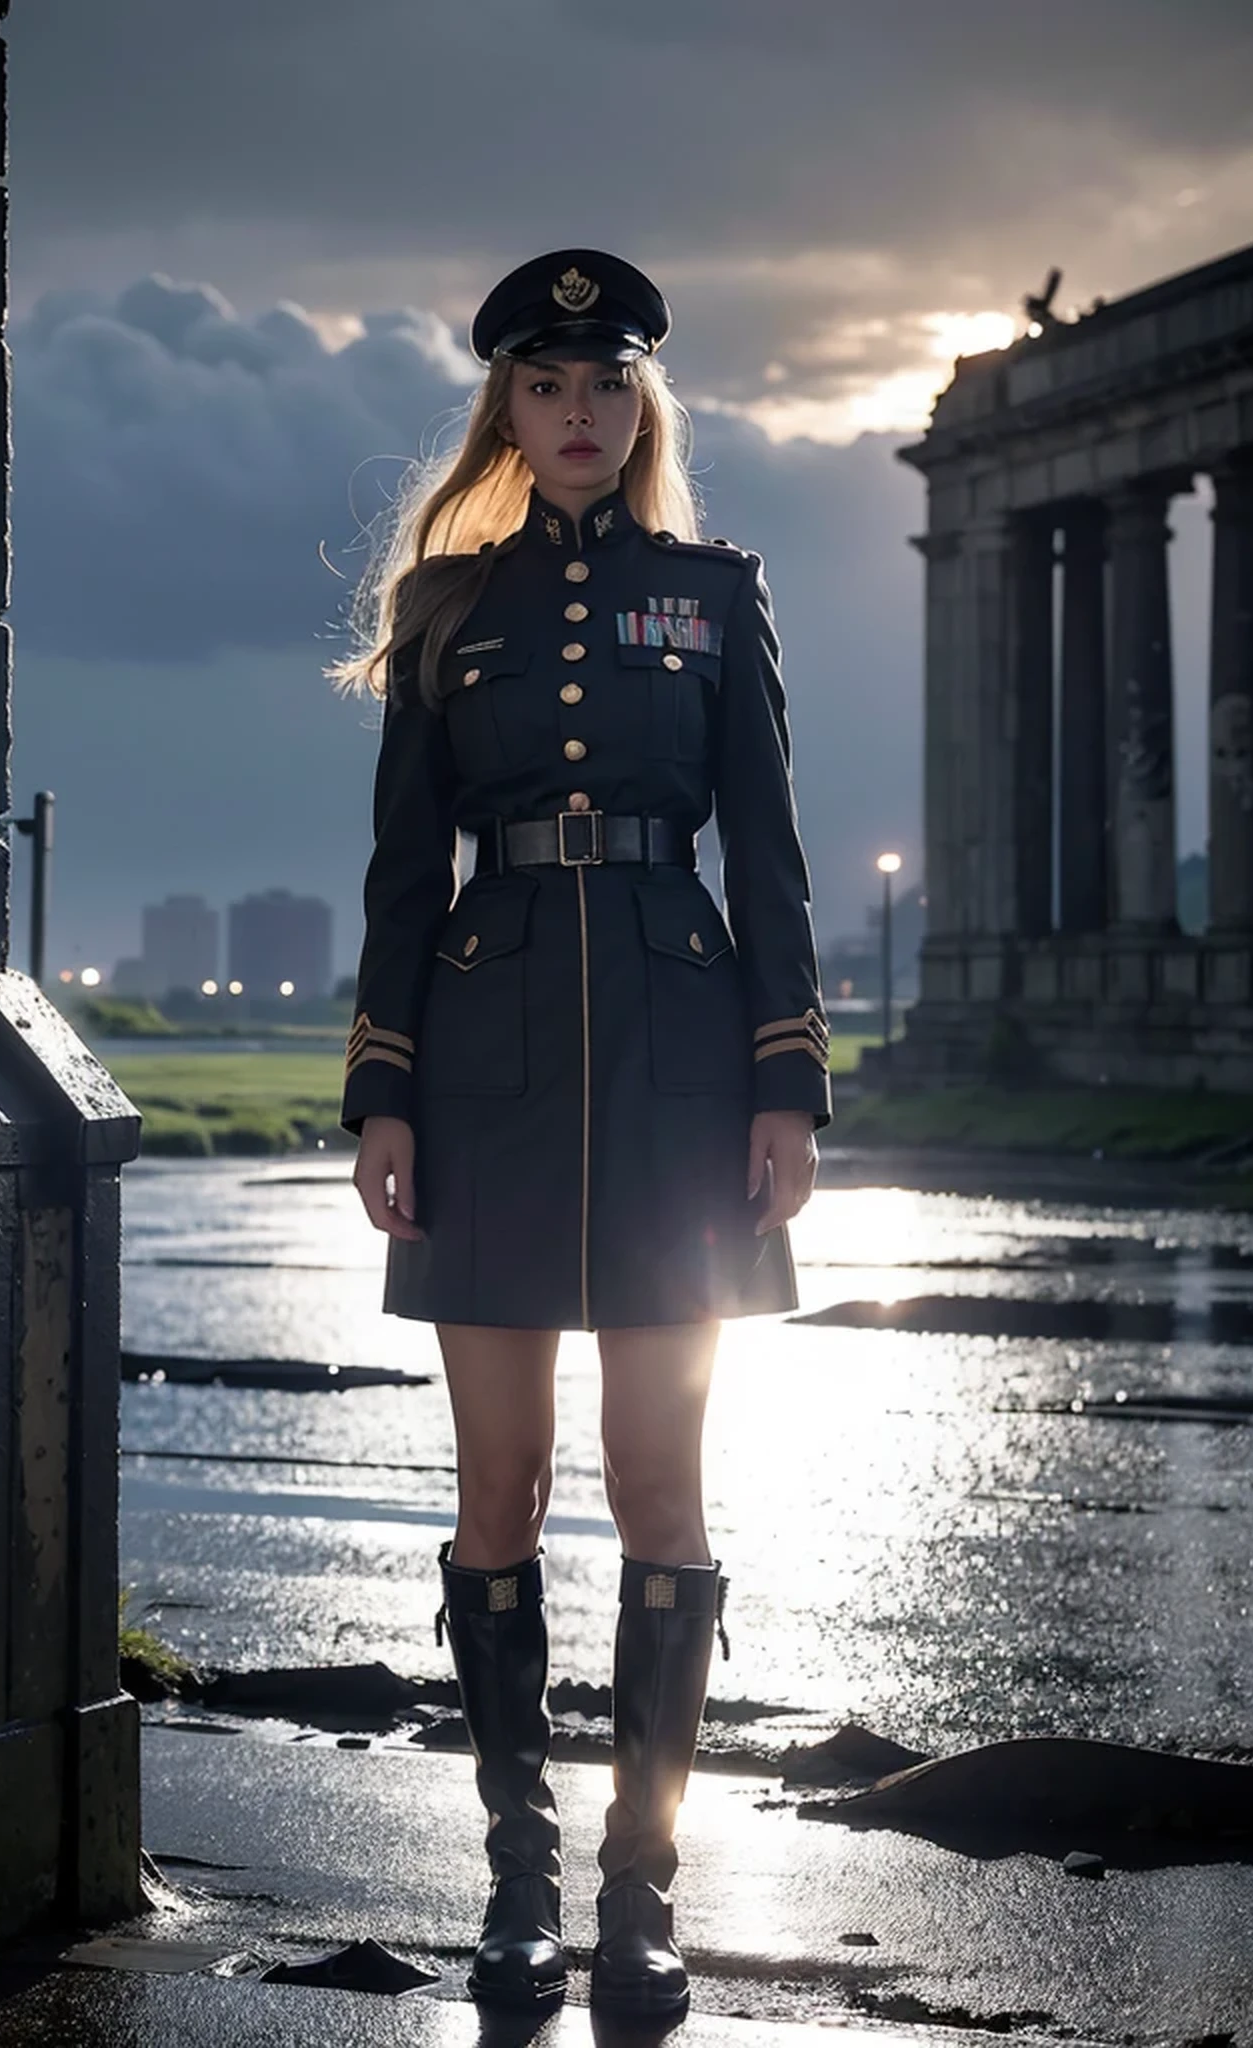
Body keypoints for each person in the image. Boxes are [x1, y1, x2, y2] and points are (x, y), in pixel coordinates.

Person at [331, 249, 829, 2019]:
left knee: (662, 1487)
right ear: (506, 412)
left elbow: (765, 848)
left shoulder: (713, 592)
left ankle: (644, 1886)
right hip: (487, 1062)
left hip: (690, 1065)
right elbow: (404, 874)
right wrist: (382, 1085)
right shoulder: (444, 607)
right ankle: (517, 1880)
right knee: (504, 1488)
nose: (579, 418)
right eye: (547, 389)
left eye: (607, 388)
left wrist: (790, 1078)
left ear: (645, 408)